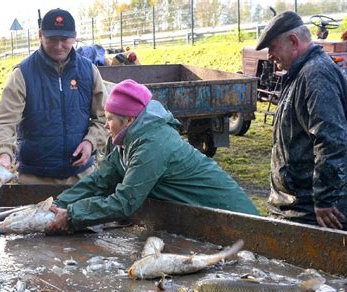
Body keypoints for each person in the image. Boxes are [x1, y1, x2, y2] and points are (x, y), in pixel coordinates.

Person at [44, 79, 259, 233]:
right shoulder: (128, 142)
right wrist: (55, 205)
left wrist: (72, 215)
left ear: (128, 120)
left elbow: (125, 201)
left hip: (237, 219)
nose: (106, 125)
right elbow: (100, 180)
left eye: (110, 119)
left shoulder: (152, 145)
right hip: (206, 219)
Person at [256, 11, 347, 230]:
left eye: (272, 47)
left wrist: (325, 200)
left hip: (318, 212)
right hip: (301, 206)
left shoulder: (315, 75)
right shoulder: (302, 72)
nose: (269, 55)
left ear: (293, 41)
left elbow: (332, 141)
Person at [0, 8, 108, 185]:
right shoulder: (22, 74)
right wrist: (4, 155)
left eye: (65, 39)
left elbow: (104, 117)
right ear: (40, 35)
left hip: (81, 178)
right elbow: (4, 121)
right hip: (33, 179)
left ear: (74, 36)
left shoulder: (89, 71)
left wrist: (91, 142)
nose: (59, 45)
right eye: (52, 39)